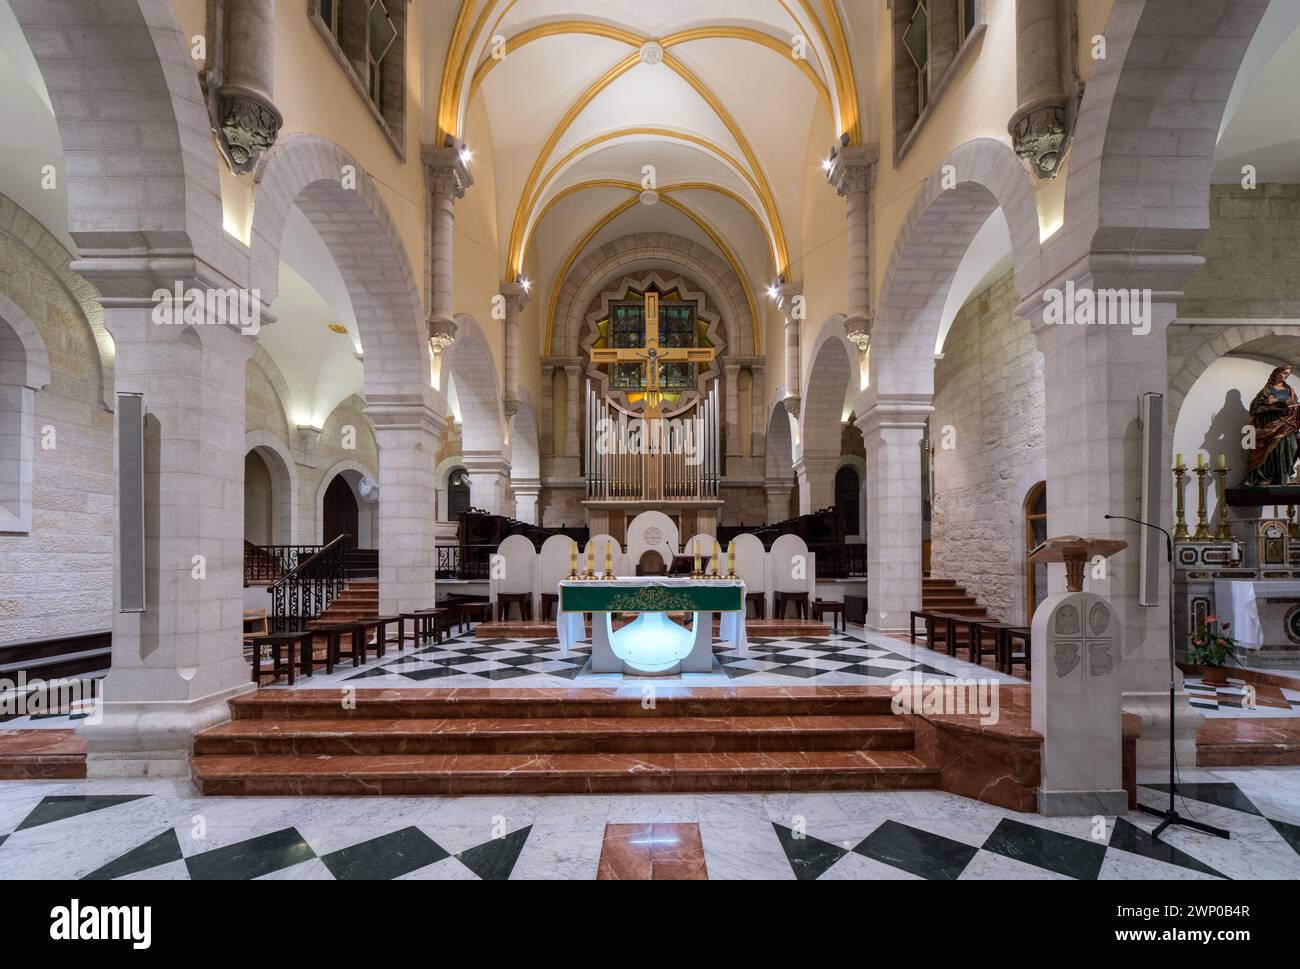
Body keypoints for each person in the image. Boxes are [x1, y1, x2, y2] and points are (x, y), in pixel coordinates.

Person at [1244, 365, 1300, 486]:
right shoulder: (1267, 390)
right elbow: (1254, 408)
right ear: (1277, 373)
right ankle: (1268, 476)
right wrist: (1274, 405)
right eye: (1285, 373)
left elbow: (1295, 404)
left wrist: (1293, 407)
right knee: (1273, 450)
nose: (1286, 376)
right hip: (1271, 424)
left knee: (1291, 447)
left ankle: (1285, 475)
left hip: (1288, 424)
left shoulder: (1290, 389)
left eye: (1288, 374)